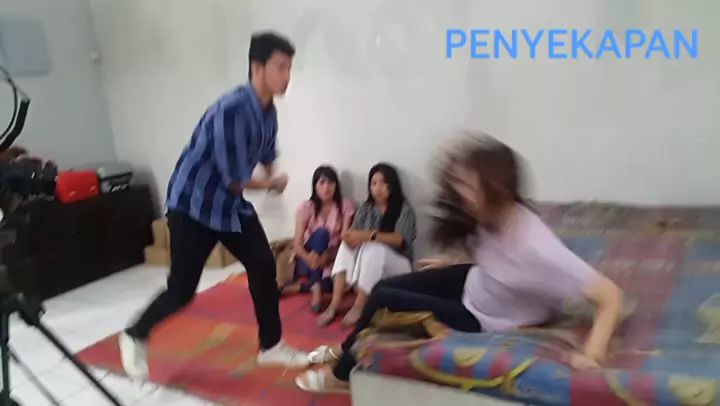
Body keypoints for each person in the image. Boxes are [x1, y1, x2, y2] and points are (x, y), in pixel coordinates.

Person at [295, 135, 624, 393]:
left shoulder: (538, 247)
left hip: (479, 316)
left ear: (496, 188)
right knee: (387, 286)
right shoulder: (494, 213)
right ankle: (346, 347)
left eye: (469, 186)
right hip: (473, 279)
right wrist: (451, 263)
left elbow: (610, 296)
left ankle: (342, 374)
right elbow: (494, 254)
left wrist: (592, 355)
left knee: (382, 297)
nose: (461, 192)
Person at [118, 32, 310, 379]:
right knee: (182, 290)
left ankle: (271, 346)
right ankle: (135, 334)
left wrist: (274, 177)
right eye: (281, 67)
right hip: (193, 205)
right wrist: (270, 184)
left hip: (228, 205)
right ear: (257, 68)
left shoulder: (268, 113)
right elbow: (234, 179)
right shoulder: (231, 110)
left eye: (289, 68)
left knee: (262, 263)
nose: (287, 76)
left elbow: (267, 156)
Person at [316, 163, 417, 328]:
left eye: (383, 183)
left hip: (399, 266)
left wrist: (370, 236)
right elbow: (353, 234)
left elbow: (400, 240)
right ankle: (335, 304)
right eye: (374, 183)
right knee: (345, 247)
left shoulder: (403, 209)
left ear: (392, 185)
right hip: (369, 266)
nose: (378, 188)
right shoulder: (367, 208)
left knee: (374, 247)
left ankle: (359, 305)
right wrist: (348, 237)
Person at [279, 165, 355, 312]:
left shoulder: (345, 206)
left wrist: (327, 257)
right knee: (322, 234)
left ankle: (302, 287)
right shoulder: (306, 207)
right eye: (322, 183)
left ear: (336, 185)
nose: (326, 188)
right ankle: (316, 291)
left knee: (338, 286)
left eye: (330, 183)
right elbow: (297, 244)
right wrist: (311, 259)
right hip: (307, 259)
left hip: (332, 258)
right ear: (315, 186)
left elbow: (345, 241)